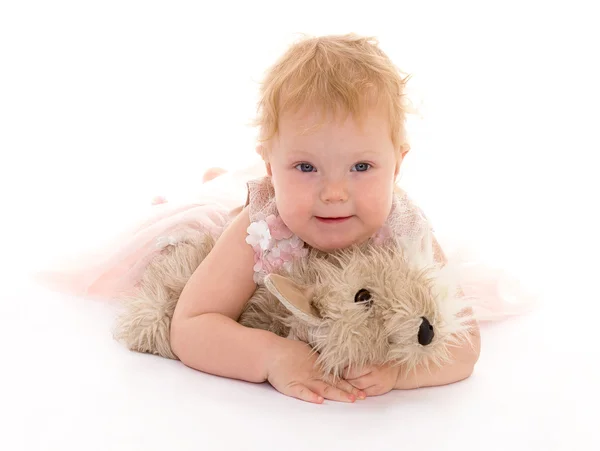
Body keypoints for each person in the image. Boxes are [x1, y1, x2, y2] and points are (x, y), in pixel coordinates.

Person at [36, 33, 533, 404]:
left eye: (362, 167)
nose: (334, 193)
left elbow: (465, 346)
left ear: (397, 165)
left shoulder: (402, 227)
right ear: (271, 169)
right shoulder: (263, 229)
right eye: (305, 166)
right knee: (199, 228)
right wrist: (271, 356)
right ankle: (220, 185)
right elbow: (191, 325)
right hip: (236, 227)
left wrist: (401, 372)